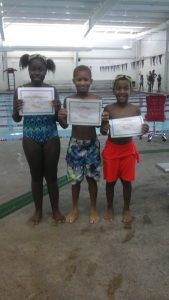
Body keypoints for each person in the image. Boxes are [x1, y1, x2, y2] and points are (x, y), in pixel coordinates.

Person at [12, 53, 65, 225]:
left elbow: (59, 119)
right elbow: (16, 119)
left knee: (52, 176)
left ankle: (55, 209)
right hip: (30, 135)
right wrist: (16, 108)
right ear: (28, 69)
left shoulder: (52, 90)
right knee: (36, 176)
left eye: (40, 70)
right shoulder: (20, 91)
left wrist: (57, 109)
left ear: (45, 71)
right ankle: (38, 210)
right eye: (33, 69)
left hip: (50, 134)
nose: (37, 73)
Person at [58, 65, 108, 224]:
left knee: (92, 179)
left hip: (92, 144)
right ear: (74, 81)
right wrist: (61, 117)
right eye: (79, 79)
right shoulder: (68, 100)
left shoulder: (97, 100)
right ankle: (74, 208)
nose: (82, 82)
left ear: (91, 81)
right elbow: (65, 126)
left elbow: (101, 127)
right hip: (75, 144)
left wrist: (105, 120)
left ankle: (93, 207)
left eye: (85, 79)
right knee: (75, 179)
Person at [100, 74, 149, 225]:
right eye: (119, 88)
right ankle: (109, 207)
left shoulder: (135, 110)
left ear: (131, 90)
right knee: (110, 182)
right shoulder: (108, 108)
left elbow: (139, 131)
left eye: (125, 88)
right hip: (112, 150)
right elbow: (102, 131)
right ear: (113, 90)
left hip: (128, 150)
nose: (122, 91)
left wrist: (144, 129)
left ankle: (126, 208)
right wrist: (104, 126)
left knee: (127, 181)